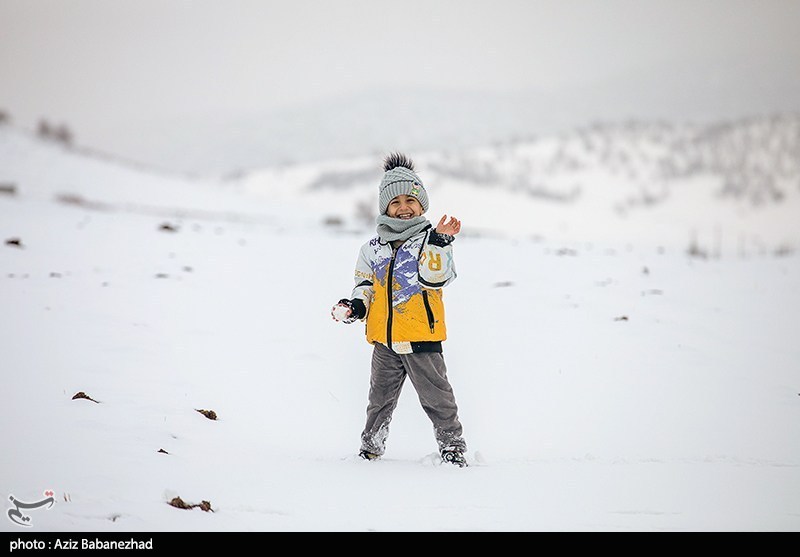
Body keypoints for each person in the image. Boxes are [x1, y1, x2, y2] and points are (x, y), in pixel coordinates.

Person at [331, 152, 468, 467]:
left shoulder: (429, 241)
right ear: (385, 207)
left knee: (438, 399)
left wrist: (440, 242)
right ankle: (370, 448)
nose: (403, 207)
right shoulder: (372, 249)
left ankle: (452, 446)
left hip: (421, 337)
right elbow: (365, 286)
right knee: (378, 401)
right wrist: (355, 307)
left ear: (422, 205)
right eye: (395, 202)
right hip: (384, 340)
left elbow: (436, 278)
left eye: (410, 200)